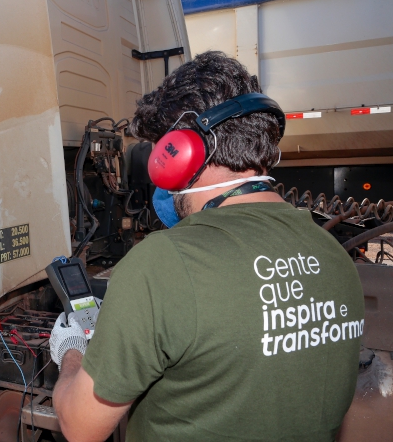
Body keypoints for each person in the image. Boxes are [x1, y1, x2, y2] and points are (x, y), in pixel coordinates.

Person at [49, 51, 364, 441]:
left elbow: (81, 427)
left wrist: (72, 351)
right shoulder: (333, 253)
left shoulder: (163, 265)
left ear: (179, 155)